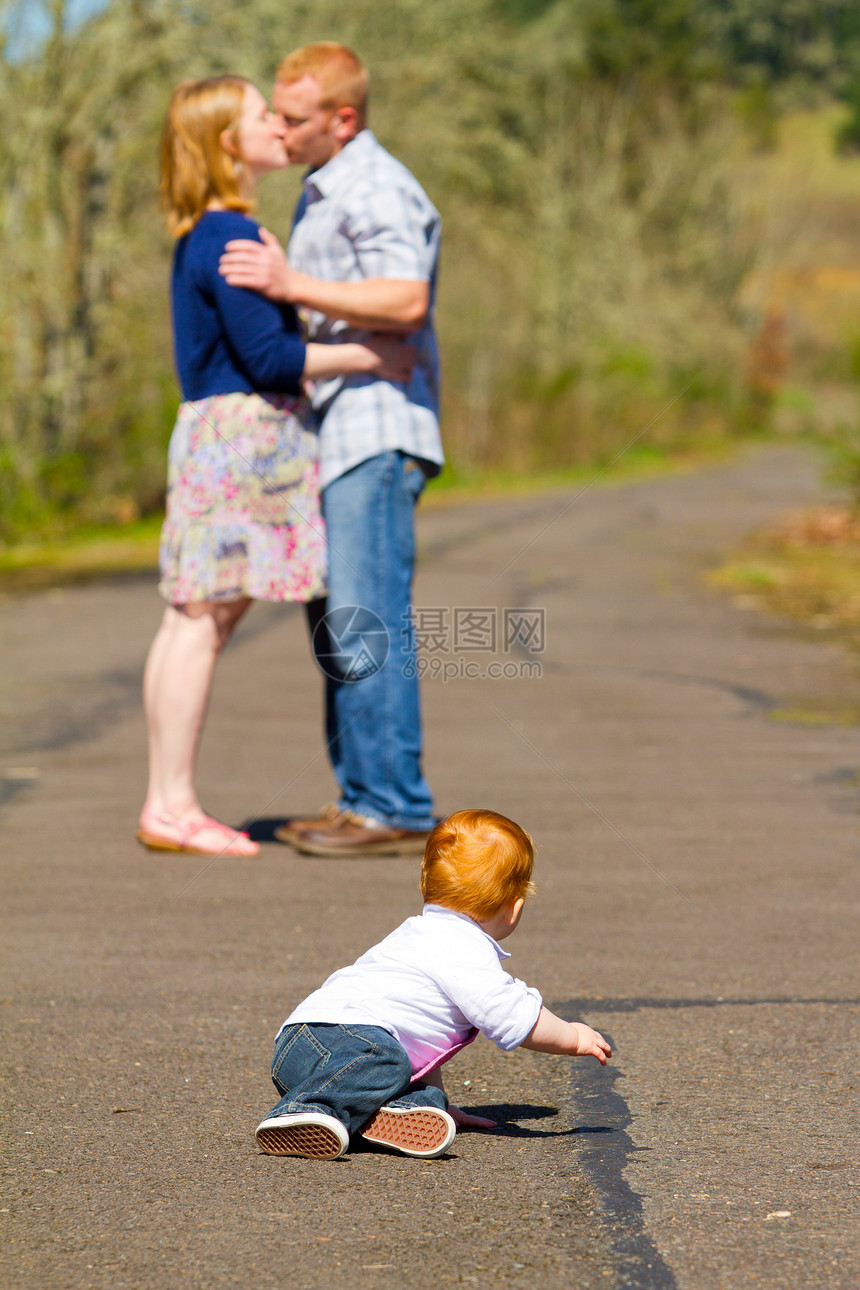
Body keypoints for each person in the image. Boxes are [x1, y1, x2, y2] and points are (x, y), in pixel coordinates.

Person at [138, 76, 414, 859]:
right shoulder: (229, 233)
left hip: (215, 435)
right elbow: (266, 356)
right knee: (204, 622)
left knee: (190, 618)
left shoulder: (209, 228)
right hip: (244, 440)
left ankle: (166, 801)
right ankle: (176, 806)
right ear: (230, 142)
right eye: (264, 115)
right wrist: (368, 354)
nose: (279, 127)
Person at [219, 43, 444, 858]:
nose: (279, 128)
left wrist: (289, 287)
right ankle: (360, 796)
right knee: (339, 627)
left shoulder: (377, 184)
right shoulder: (328, 190)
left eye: (295, 117)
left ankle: (393, 804)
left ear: (343, 119)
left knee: (366, 619)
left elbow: (405, 299)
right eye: (274, 113)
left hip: (376, 432)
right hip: (336, 432)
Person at [253, 809, 612, 1160]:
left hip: (302, 1048)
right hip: (341, 1040)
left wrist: (443, 1103)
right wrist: (573, 1037)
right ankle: (299, 1112)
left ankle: (377, 1116)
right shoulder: (462, 947)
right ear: (513, 907)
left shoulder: (416, 933)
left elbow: (422, 1044)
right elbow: (510, 1013)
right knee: (386, 1060)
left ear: (426, 884)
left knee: (420, 1088)